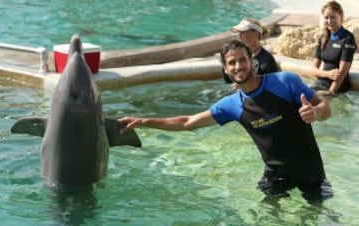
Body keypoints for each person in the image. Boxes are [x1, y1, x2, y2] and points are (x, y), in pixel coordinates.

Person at [119, 40, 333, 203]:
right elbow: (187, 122)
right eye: (232, 62)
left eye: (242, 59)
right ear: (225, 69)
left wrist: (315, 113)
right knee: (267, 217)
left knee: (312, 219)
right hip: (275, 176)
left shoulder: (285, 82)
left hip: (311, 173)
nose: (238, 66)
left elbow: (325, 108)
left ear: (252, 61)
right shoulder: (232, 105)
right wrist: (144, 121)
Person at [311, 0, 357, 95]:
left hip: (337, 87)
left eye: (333, 17)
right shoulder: (323, 38)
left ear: (341, 16)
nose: (329, 21)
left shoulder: (347, 38)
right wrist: (327, 74)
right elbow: (313, 70)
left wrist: (330, 93)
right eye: (326, 17)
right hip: (320, 84)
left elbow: (342, 73)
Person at [222, 18, 278, 84]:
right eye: (239, 33)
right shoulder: (234, 57)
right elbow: (228, 82)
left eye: (243, 32)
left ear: (256, 33)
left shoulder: (267, 61)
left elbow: (270, 86)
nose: (240, 37)